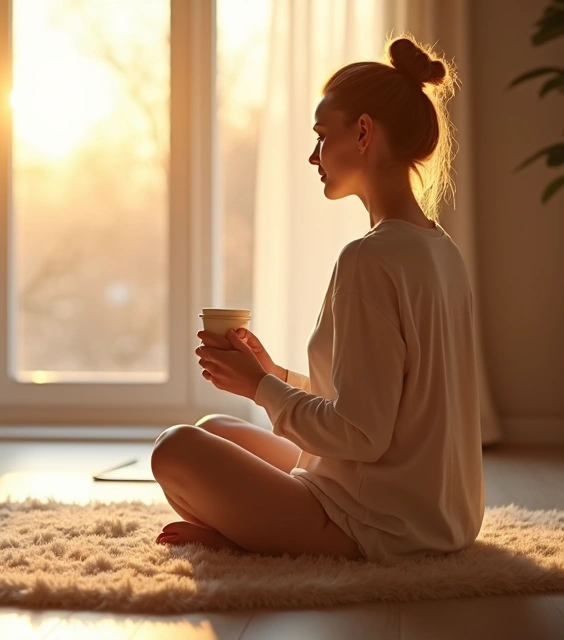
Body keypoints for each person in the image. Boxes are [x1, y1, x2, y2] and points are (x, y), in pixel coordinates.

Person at [150, 36, 484, 564]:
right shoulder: (441, 250)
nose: (313, 156)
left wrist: (260, 389)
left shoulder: (367, 259)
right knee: (214, 430)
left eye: (322, 137)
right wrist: (274, 375)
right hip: (440, 514)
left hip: (380, 526)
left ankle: (255, 540)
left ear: (364, 133)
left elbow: (361, 434)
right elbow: (386, 402)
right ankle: (257, 529)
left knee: (175, 448)